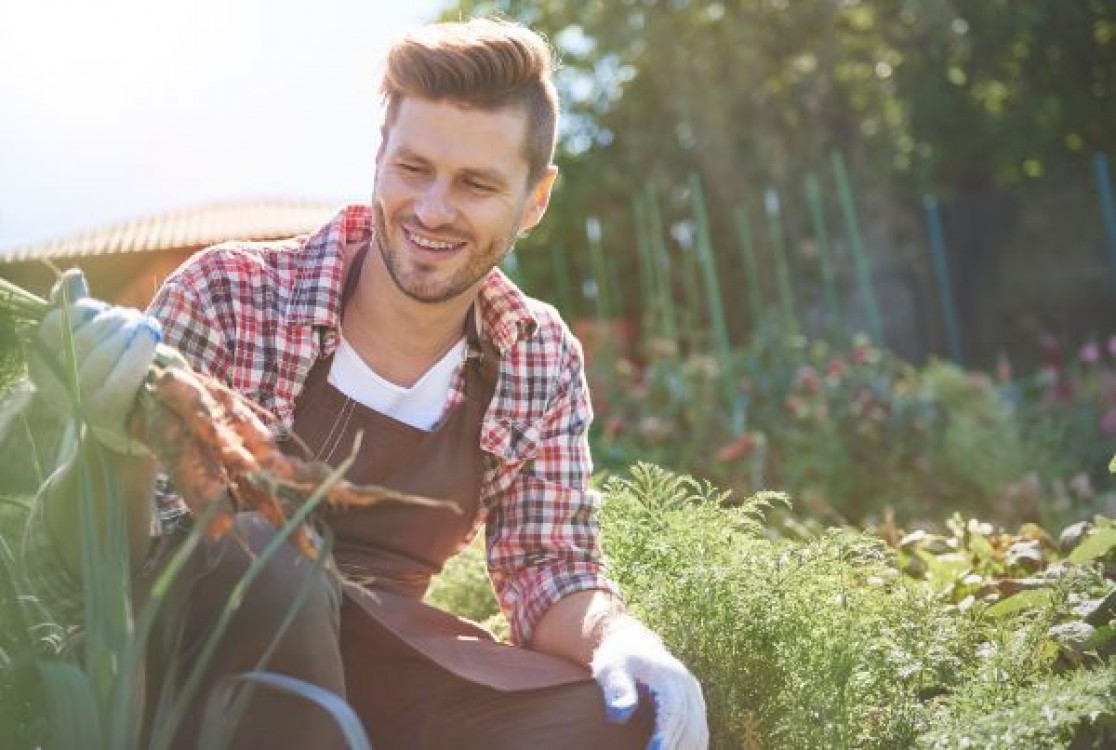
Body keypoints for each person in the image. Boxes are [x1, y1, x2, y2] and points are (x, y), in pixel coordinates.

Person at [22, 17, 708, 750]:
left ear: (534, 200)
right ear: (379, 156)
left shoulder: (534, 354)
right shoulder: (228, 292)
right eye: (413, 168)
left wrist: (619, 636)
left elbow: (545, 568)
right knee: (264, 555)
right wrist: (111, 442)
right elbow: (108, 568)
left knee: (628, 716)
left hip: (387, 659)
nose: (434, 209)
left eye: (476, 184)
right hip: (201, 669)